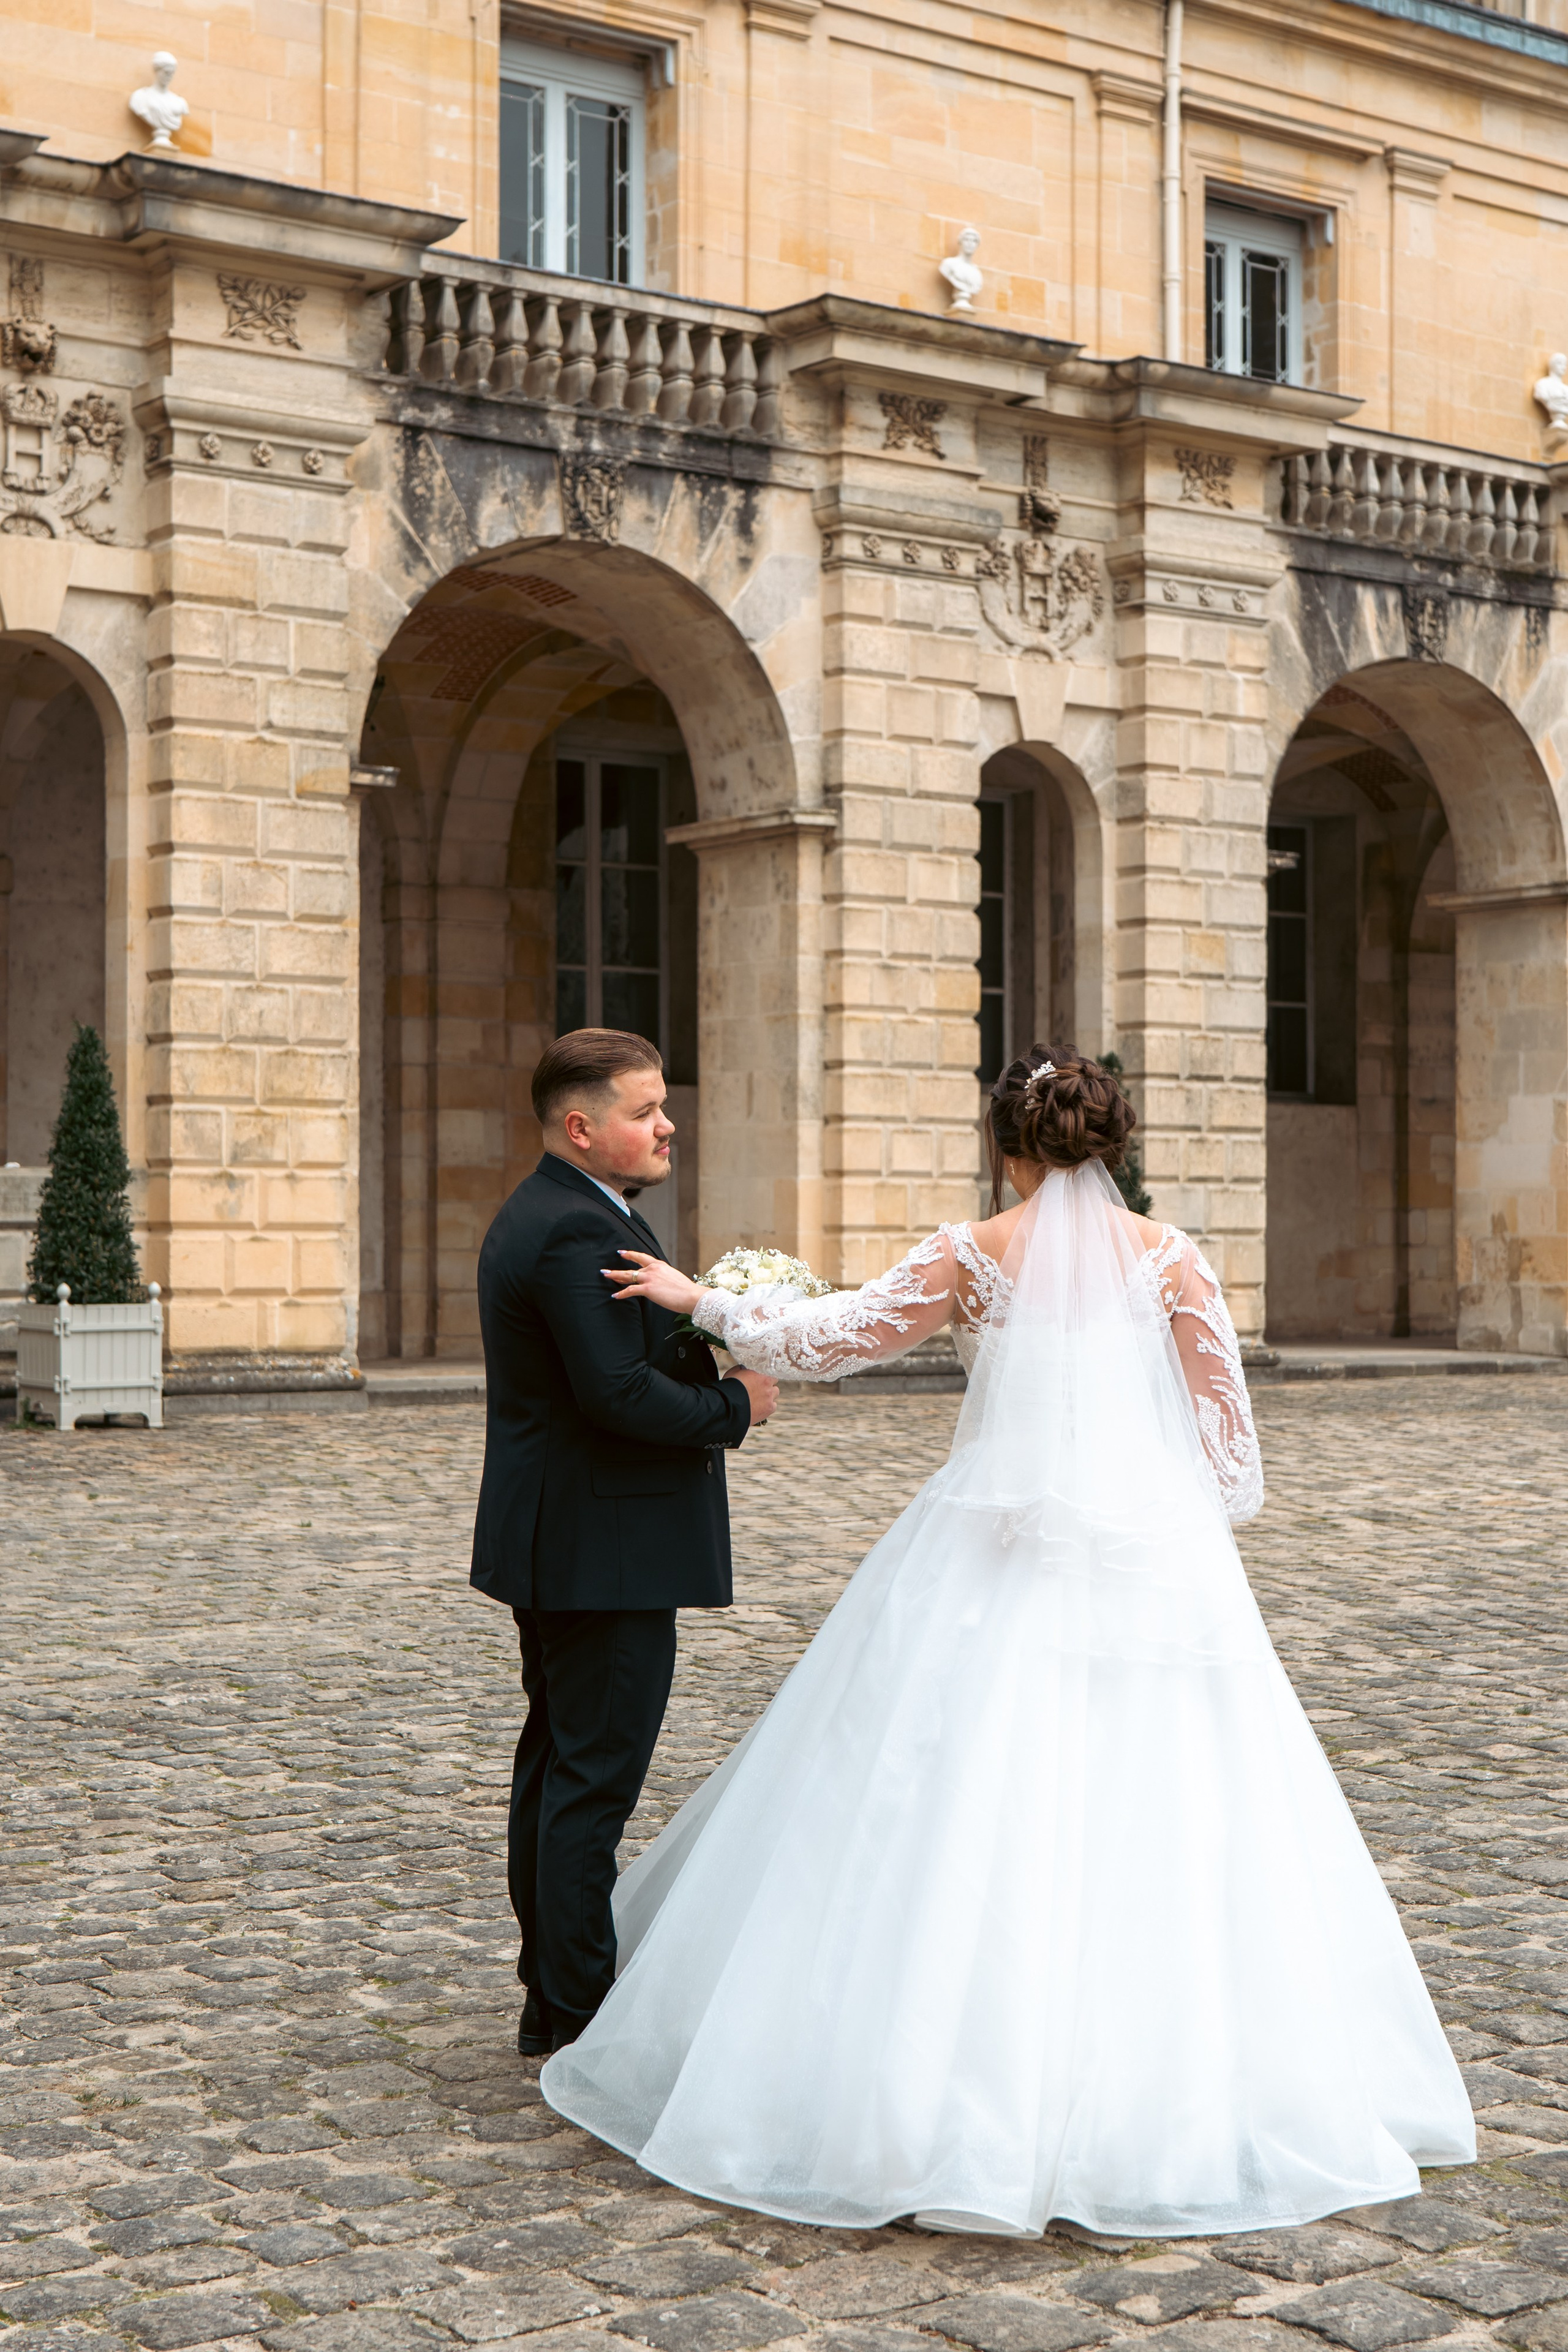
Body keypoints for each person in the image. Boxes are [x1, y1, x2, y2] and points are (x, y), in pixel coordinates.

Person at [540, 1046, 1475, 2236]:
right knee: (1186, 1811)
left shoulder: (971, 1252)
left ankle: (915, 2092)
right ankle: (1187, 2095)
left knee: (943, 1792)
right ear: (1113, 1147)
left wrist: (704, 1304)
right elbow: (1230, 1461)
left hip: (984, 1552)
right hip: (1153, 1565)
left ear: (1006, 1150)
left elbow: (831, 1341)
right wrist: (1155, 1514)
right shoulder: (1175, 1261)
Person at [470, 1028, 778, 2058]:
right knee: (588, 1786)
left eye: (662, 1106)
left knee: (559, 1770)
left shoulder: (566, 1213)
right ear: (581, 1126)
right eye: (645, 1111)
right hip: (601, 1548)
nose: (666, 1124)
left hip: (571, 1540)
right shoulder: (572, 1232)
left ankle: (552, 1998)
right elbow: (615, 1396)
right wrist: (736, 1401)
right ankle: (582, 2017)